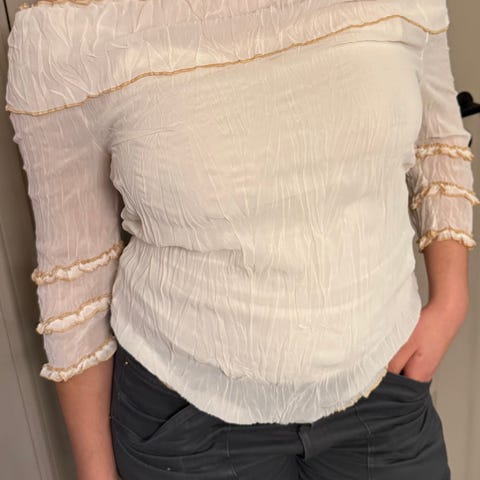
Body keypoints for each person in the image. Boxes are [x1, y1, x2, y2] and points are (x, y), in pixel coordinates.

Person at [5, 0, 478, 479]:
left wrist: (451, 300)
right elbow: (74, 274)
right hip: (187, 423)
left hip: (384, 384)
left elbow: (437, 141)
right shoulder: (75, 25)